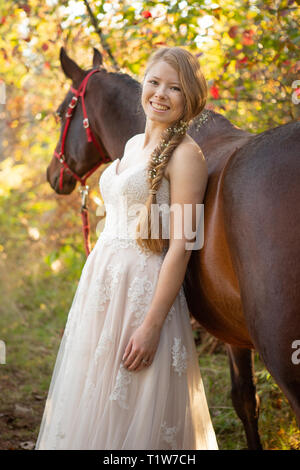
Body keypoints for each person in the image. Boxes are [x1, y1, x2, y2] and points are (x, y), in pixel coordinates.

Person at [35, 46, 218, 450]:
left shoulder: (187, 157)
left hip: (144, 291)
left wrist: (152, 324)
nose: (160, 94)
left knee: (135, 398)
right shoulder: (133, 144)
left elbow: (182, 246)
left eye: (175, 88)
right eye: (154, 82)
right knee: (95, 395)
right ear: (143, 85)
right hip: (103, 285)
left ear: (190, 97)